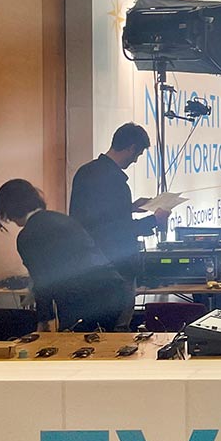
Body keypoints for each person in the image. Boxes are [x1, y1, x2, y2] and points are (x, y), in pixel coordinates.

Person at [69, 123, 170, 328]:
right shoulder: (116, 182)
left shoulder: (85, 172)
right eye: (138, 154)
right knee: (118, 326)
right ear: (131, 148)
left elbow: (95, 217)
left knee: (95, 328)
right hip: (117, 267)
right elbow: (119, 231)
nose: (135, 160)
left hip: (88, 266)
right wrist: (154, 220)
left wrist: (130, 207)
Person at [0, 179, 126, 332]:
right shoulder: (64, 219)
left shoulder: (27, 236)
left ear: (10, 210)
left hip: (81, 299)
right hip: (113, 289)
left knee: (73, 343)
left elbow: (42, 280)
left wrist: (44, 320)